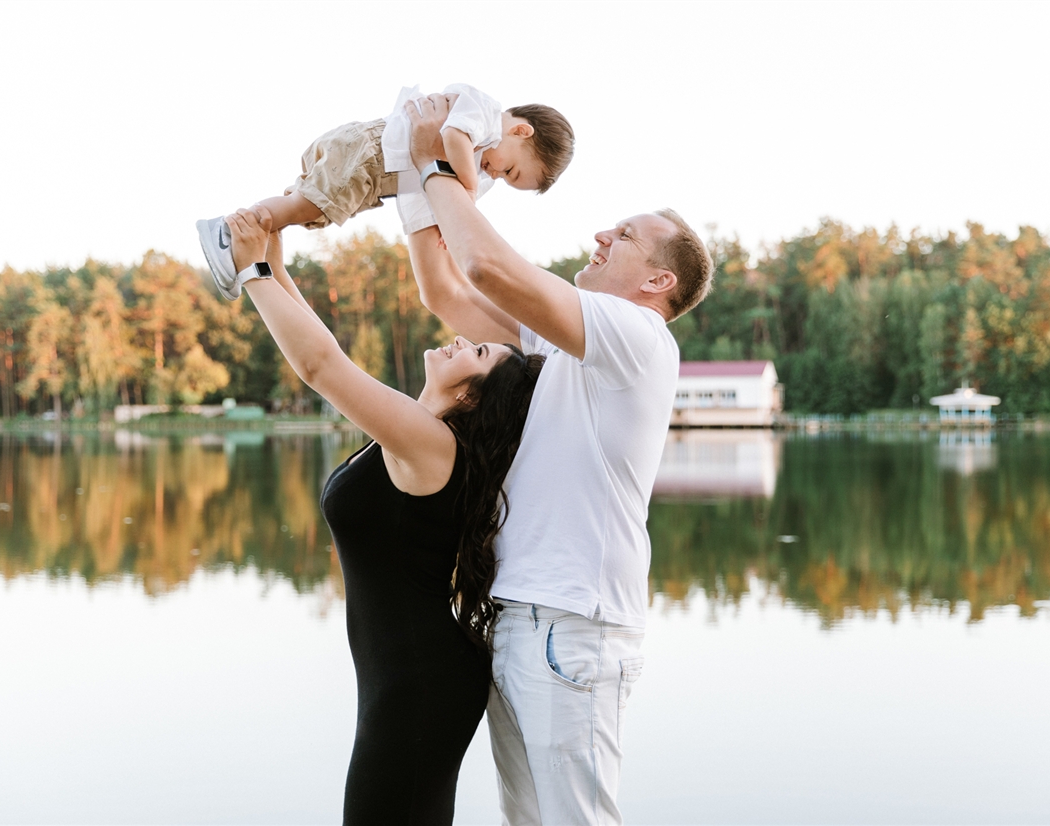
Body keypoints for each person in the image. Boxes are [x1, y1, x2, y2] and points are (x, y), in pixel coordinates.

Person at [403, 95, 714, 824]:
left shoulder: (637, 335)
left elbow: (488, 264)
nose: (602, 233)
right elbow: (445, 287)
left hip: (571, 631)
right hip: (519, 622)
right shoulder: (569, 344)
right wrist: (411, 172)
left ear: (658, 281)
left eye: (627, 235)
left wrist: (436, 159)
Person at [223, 208, 545, 824]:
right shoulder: (415, 433)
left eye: (476, 350)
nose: (458, 338)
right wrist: (277, 264)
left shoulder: (431, 446)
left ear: (474, 397)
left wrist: (252, 273)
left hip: (420, 684)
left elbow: (320, 369)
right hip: (406, 676)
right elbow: (329, 353)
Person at [197, 84, 574, 301]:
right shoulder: (484, 113)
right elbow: (451, 136)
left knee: (309, 211)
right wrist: (467, 196)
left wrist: (451, 221)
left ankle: (244, 250)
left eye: (507, 180)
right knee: (302, 205)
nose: (498, 175)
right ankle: (227, 232)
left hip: (375, 178)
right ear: (521, 131)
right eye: (510, 170)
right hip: (367, 154)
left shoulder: (480, 164)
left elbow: (437, 195)